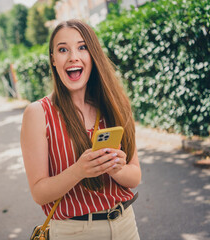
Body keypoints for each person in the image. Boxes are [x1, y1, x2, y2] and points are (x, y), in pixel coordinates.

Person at [20, 19, 141, 240]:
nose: (73, 56)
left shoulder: (115, 105)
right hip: (74, 233)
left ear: (93, 56)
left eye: (82, 47)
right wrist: (79, 171)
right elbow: (39, 193)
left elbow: (134, 176)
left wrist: (116, 169)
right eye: (62, 49)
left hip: (125, 226)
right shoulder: (38, 113)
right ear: (53, 60)